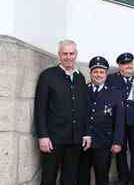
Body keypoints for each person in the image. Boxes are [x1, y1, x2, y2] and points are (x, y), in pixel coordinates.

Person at [34, 40, 91, 185]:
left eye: (71, 53)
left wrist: (86, 133)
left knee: (70, 178)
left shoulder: (80, 77)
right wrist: (43, 136)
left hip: (75, 139)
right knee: (48, 177)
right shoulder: (47, 76)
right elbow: (40, 108)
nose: (68, 57)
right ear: (59, 55)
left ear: (76, 55)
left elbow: (84, 108)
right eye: (64, 53)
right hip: (53, 139)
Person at [78, 56, 125, 185]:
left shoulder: (115, 93)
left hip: (104, 142)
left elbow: (119, 120)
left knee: (102, 176)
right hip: (83, 142)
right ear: (91, 73)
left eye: (101, 72)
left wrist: (117, 142)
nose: (98, 75)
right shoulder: (82, 90)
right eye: (95, 72)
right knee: (82, 175)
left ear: (106, 74)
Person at [107, 53, 134, 185]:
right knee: (120, 151)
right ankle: (123, 177)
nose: (129, 66)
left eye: (130, 63)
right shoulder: (111, 79)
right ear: (119, 66)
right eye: (125, 64)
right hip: (118, 122)